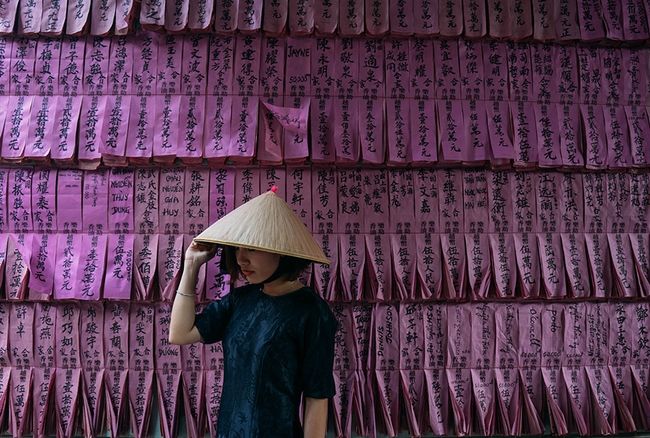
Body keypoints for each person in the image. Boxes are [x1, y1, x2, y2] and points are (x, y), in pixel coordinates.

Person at [169, 186, 337, 438]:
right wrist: (191, 265)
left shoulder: (312, 312)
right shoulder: (239, 301)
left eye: (252, 249)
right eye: (237, 249)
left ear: (281, 250)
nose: (240, 259)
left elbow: (317, 396)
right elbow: (180, 334)